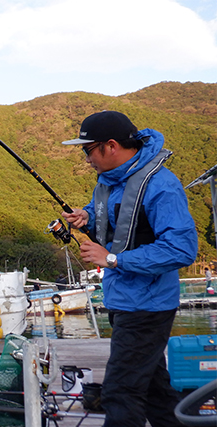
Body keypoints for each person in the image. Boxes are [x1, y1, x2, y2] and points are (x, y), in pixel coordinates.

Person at [60, 111, 198, 427]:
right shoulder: (107, 183)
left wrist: (112, 260)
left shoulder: (161, 185)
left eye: (87, 149)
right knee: (154, 391)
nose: (86, 158)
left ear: (110, 146)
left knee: (120, 394)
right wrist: (88, 218)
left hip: (148, 307)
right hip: (122, 300)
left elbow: (181, 248)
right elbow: (120, 224)